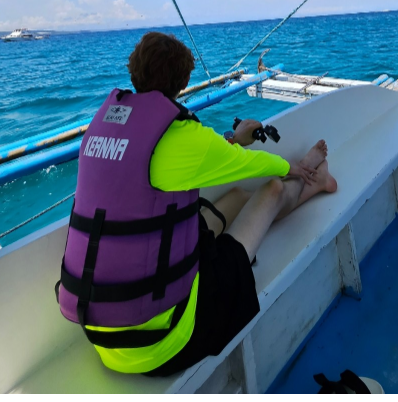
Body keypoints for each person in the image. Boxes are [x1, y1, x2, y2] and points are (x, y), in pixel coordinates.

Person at [58, 31, 337, 376]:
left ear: (134, 72)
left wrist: (234, 140)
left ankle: (306, 181)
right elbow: (251, 164)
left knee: (234, 199)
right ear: (183, 81)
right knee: (273, 189)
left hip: (102, 338)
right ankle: (315, 180)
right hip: (165, 342)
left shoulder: (101, 129)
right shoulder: (181, 135)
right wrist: (292, 167)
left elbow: (191, 161)